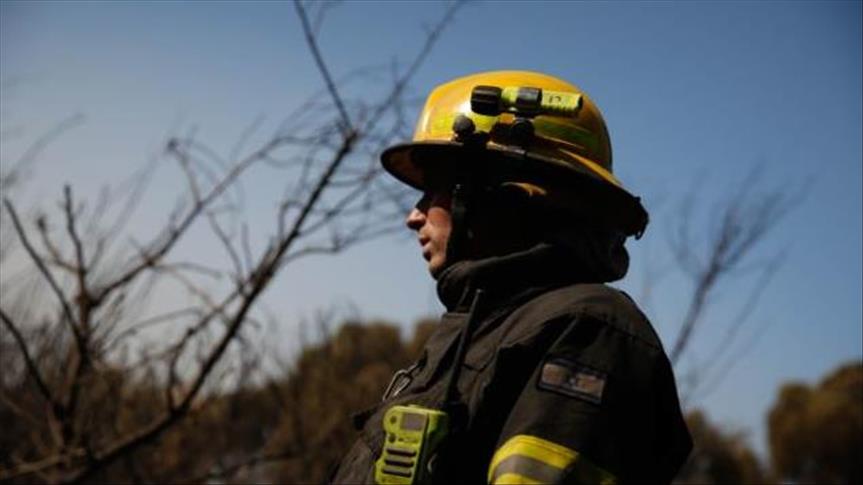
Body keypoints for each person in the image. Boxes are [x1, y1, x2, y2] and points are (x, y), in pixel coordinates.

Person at [331, 71, 692, 484]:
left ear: (503, 196)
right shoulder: (480, 332)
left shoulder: (583, 330)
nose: (414, 216)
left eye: (435, 190)